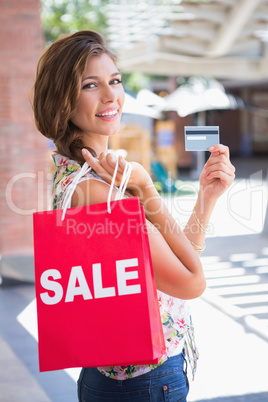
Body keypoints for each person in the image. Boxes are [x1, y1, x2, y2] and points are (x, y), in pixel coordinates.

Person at [32, 30, 235, 401]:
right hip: (141, 380)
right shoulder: (97, 191)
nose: (112, 96)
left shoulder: (72, 170)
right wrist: (145, 188)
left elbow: (171, 269)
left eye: (115, 80)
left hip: (118, 376)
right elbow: (191, 282)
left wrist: (206, 198)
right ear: (61, 100)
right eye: (90, 85)